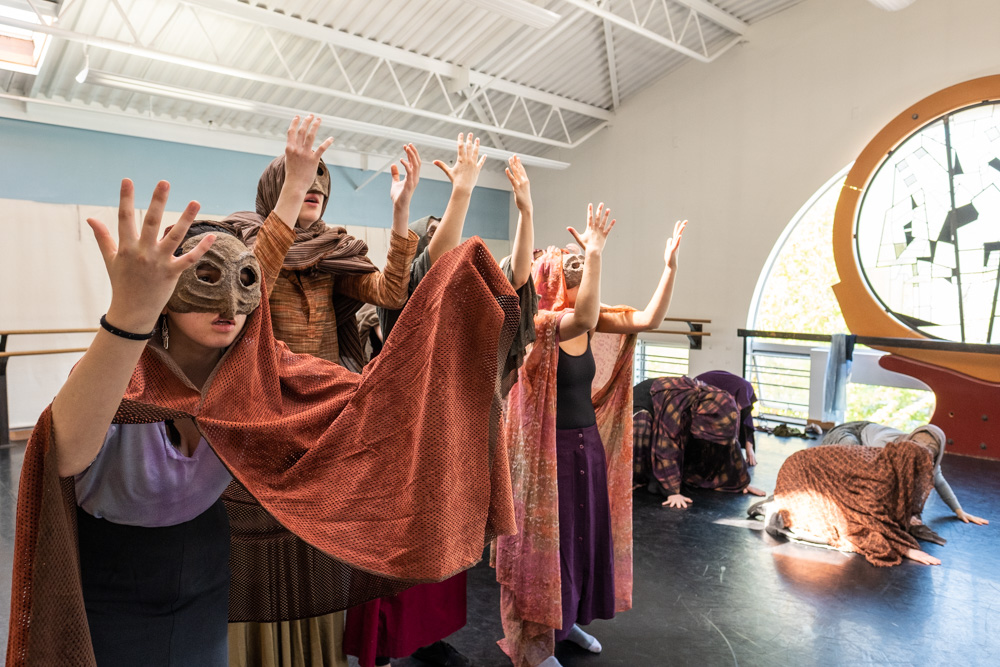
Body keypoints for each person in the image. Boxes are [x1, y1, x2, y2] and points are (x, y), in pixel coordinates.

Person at [7, 173, 521, 665]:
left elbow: (380, 404)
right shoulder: (119, 377)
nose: (228, 302)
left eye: (245, 279)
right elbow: (63, 455)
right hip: (112, 581)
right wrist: (129, 317)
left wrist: (453, 311)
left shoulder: (268, 374)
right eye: (204, 277)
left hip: (206, 571)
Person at [228, 115, 421, 667]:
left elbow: (389, 290)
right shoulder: (246, 244)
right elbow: (253, 285)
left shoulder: (332, 253)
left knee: (317, 545)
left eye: (321, 185)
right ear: (279, 187)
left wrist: (400, 210)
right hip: (265, 420)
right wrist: (295, 182)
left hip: (326, 422)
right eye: (302, 181)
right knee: (266, 545)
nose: (315, 188)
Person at [344, 140, 538, 667]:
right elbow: (431, 268)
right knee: (397, 561)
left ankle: (427, 640)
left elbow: (516, 277)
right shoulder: (409, 303)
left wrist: (525, 210)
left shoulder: (468, 308)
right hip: (401, 452)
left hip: (450, 450)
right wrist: (463, 192)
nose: (451, 264)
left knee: (443, 555)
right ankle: (382, 646)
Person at [495, 206, 687, 667]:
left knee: (582, 539)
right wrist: (596, 253)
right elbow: (579, 319)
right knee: (548, 548)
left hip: (586, 447)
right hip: (546, 456)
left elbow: (648, 320)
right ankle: (534, 641)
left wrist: (669, 268)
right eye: (577, 282)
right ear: (555, 287)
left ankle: (568, 618)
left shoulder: (587, 315)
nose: (586, 293)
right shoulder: (540, 327)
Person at [749, 437, 943, 567]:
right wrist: (904, 548)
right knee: (845, 523)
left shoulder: (894, 457)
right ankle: (784, 503)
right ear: (908, 470)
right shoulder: (883, 477)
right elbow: (871, 518)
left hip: (812, 467)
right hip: (799, 473)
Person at [632, 376, 765, 509]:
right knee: (642, 425)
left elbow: (729, 446)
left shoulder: (722, 405)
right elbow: (666, 444)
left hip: (673, 407)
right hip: (644, 400)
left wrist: (740, 481)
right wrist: (672, 492)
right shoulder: (677, 405)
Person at [821, 421, 988, 525]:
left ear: (936, 455)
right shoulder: (887, 447)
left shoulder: (928, 461)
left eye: (928, 450)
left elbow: (940, 483)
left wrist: (959, 511)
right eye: (915, 444)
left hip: (869, 431)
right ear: (909, 441)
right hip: (850, 432)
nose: (919, 451)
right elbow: (875, 478)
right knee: (856, 457)